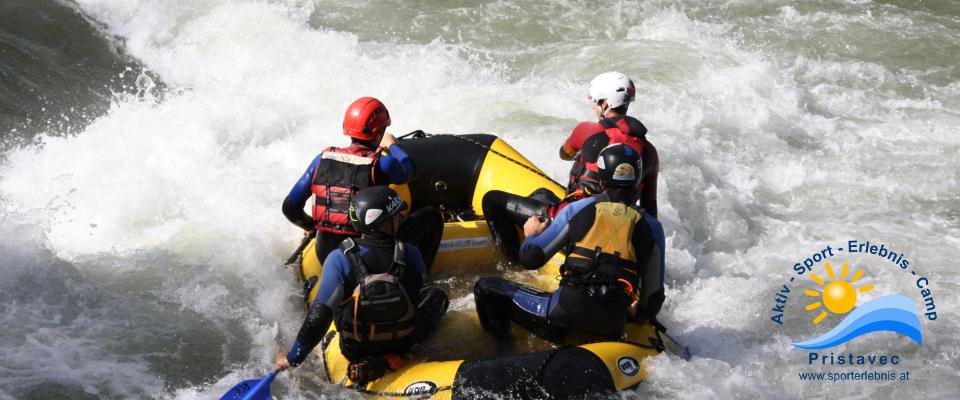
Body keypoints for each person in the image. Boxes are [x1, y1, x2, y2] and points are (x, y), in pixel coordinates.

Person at [474, 144, 666, 344]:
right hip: (611, 327)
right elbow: (653, 301)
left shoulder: (578, 209)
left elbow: (530, 259)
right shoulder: (653, 227)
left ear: (601, 180)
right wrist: (637, 314)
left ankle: (505, 348)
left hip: (562, 317)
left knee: (485, 288)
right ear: (637, 183)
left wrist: (531, 235)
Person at [275, 186, 449, 384]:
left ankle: (373, 361)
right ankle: (402, 356)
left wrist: (293, 358)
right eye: (396, 216)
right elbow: (416, 290)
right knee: (436, 295)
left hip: (355, 350)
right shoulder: (411, 253)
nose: (400, 219)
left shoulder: (339, 258)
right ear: (384, 223)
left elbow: (320, 314)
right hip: (402, 343)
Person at [282, 97, 443, 267]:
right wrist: (392, 145)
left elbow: (290, 208)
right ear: (379, 132)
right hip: (366, 255)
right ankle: (416, 275)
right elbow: (410, 171)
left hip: (325, 252)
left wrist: (312, 227)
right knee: (431, 216)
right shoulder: (382, 164)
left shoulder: (321, 159)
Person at [560, 71, 659, 217]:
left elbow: (564, 154)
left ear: (604, 104)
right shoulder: (650, 151)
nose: (593, 107)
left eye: (595, 102)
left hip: (577, 216)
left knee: (541, 194)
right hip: (622, 222)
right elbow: (650, 207)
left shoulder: (587, 130)